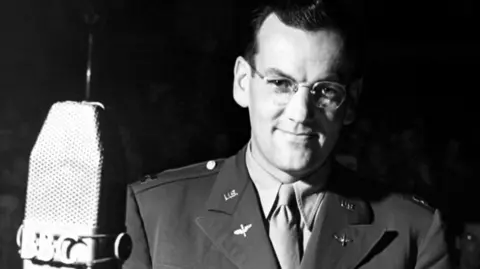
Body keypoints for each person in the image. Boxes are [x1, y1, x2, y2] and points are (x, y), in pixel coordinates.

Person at [124, 0, 451, 268]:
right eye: (281, 84)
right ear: (242, 82)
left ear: (350, 102)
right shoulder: (155, 213)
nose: (300, 113)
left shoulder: (412, 232)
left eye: (325, 90)